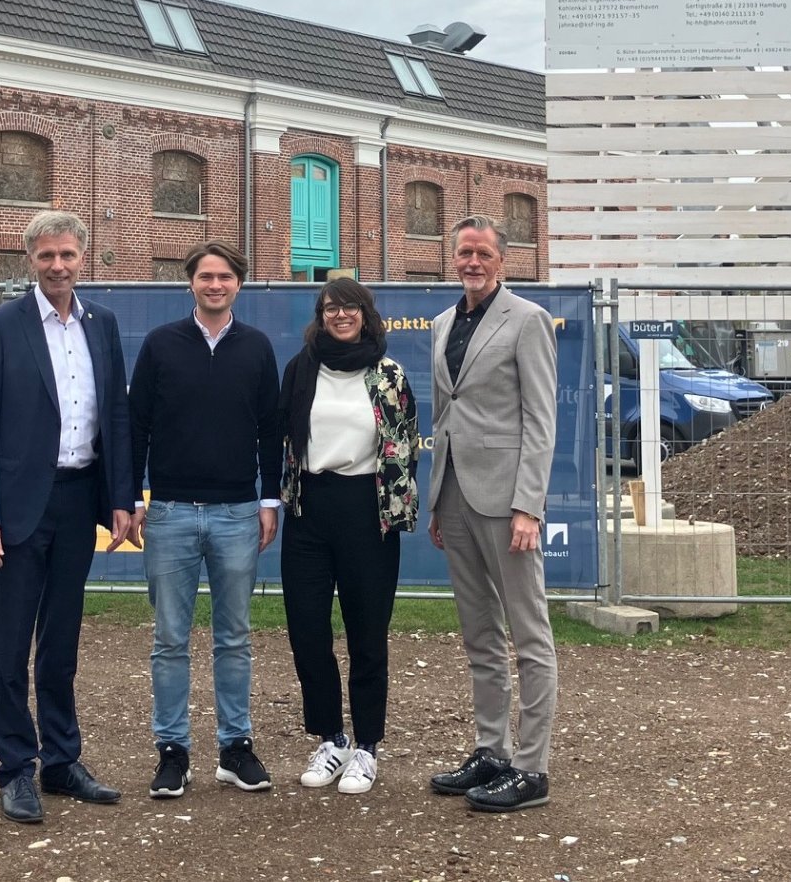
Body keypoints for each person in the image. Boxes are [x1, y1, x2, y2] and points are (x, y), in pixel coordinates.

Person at [0, 210, 134, 824]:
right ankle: (16, 767)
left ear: (82, 258)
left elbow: (115, 416)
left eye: (67, 255)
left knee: (61, 643)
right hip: (17, 509)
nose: (57, 266)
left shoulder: (102, 324)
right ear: (30, 260)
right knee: (11, 645)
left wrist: (121, 498)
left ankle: (61, 760)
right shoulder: (1, 326)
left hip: (78, 499)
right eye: (46, 256)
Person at [127, 240, 282, 798]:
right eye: (205, 276)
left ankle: (235, 748)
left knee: (234, 638)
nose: (215, 285)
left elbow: (271, 429)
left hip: (238, 513)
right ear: (190, 282)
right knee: (170, 639)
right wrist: (134, 496)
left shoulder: (257, 347)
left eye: (225, 277)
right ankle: (172, 752)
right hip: (169, 512)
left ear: (238, 284)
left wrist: (269, 500)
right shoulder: (160, 344)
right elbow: (137, 425)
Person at [425, 214, 559, 813]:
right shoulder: (442, 323)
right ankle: (491, 750)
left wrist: (529, 505)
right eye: (464, 253)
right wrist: (438, 498)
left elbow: (541, 420)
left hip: (508, 502)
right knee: (479, 633)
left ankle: (531, 768)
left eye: (482, 253)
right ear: (453, 258)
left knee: (529, 635)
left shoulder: (527, 320)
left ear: (502, 260)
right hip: (455, 495)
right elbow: (444, 414)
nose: (472, 262)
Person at [277, 277, 419, 795]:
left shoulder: (389, 374)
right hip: (309, 509)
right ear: (320, 316)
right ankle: (332, 739)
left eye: (350, 307)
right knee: (307, 631)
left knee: (367, 634)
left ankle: (367, 747)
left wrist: (399, 505)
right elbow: (282, 435)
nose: (340, 315)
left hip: (367, 512)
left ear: (365, 314)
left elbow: (406, 444)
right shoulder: (301, 369)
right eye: (330, 308)